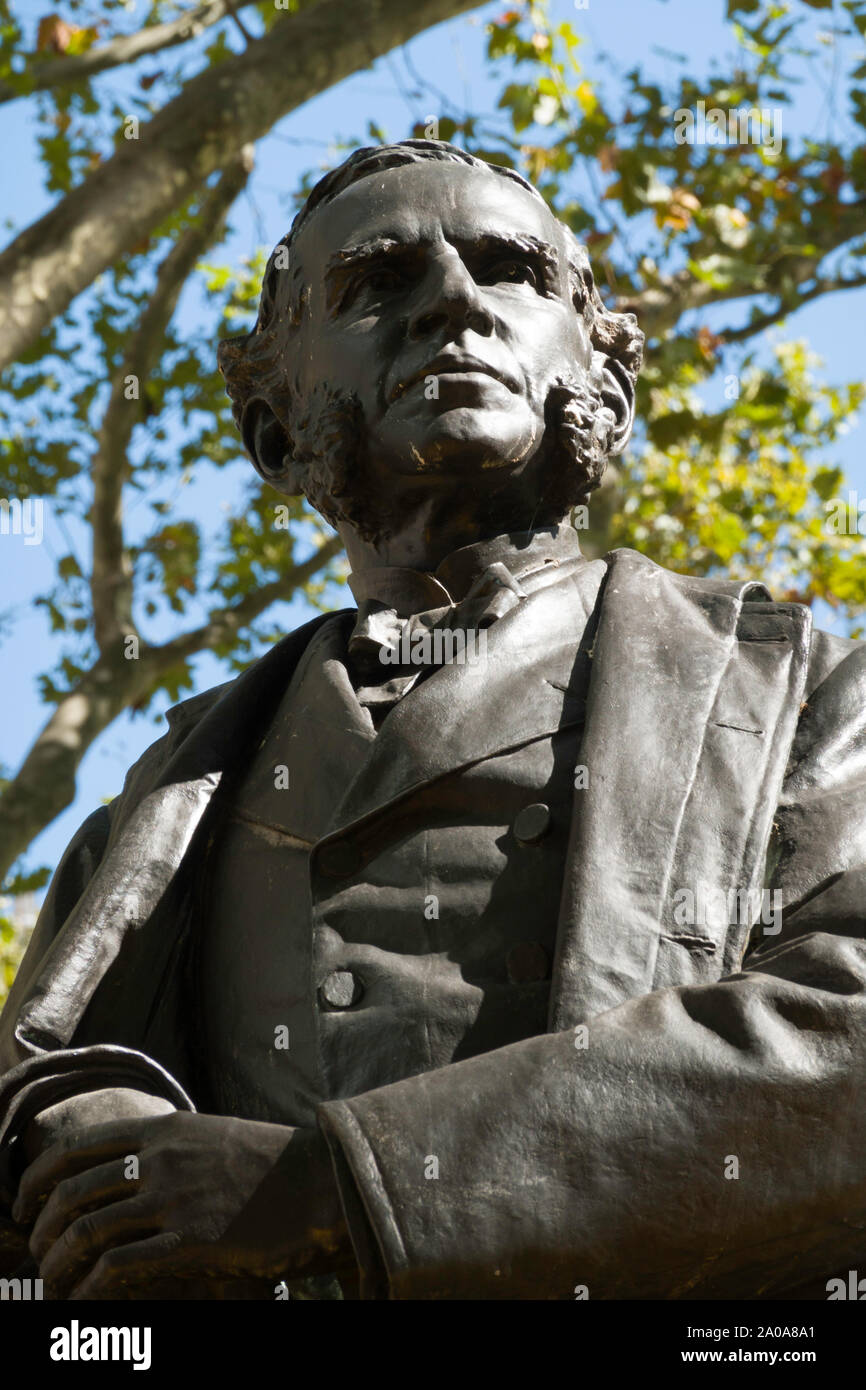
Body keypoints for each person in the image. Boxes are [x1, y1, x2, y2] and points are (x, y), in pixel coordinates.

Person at [1, 141, 864, 1300]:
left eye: (509, 271)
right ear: (272, 417)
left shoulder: (799, 690)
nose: (453, 302)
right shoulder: (154, 816)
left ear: (602, 380)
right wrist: (83, 1156)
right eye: (378, 283)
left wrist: (336, 1188)